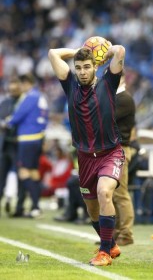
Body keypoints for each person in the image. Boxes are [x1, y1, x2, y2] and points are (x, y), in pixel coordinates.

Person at [48, 42, 125, 266]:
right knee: (92, 209)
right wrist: (78, 50)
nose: (82, 71)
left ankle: (104, 253)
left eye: (87, 67)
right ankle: (110, 244)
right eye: (79, 67)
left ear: (95, 67)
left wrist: (102, 52)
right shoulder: (69, 84)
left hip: (110, 153)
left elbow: (119, 51)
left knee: (104, 193)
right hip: (84, 157)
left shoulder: (109, 82)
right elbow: (53, 53)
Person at [1, 74, 49, 218]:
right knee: (34, 172)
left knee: (23, 172)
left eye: (21, 84)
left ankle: (35, 207)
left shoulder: (30, 97)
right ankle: (35, 207)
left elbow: (17, 116)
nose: (19, 88)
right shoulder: (40, 97)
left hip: (27, 139)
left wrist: (6, 123)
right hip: (38, 137)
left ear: (26, 83)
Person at [113, 76, 139, 246]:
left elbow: (104, 119)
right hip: (111, 150)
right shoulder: (114, 97)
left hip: (120, 149)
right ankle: (114, 233)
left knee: (120, 193)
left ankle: (126, 234)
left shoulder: (125, 99)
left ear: (122, 79)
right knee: (110, 193)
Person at [0, 79, 22, 216]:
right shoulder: (5, 103)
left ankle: (18, 206)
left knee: (20, 176)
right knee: (1, 176)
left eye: (15, 90)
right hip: (5, 144)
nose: (13, 92)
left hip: (18, 144)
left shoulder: (24, 102)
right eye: (11, 90)